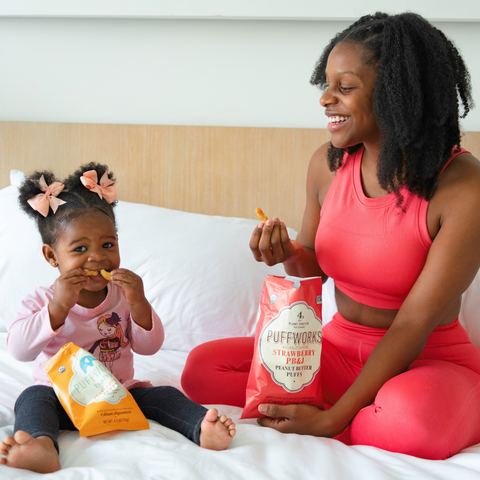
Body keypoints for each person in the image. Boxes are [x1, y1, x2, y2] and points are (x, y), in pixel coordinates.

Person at [180, 12, 480, 460]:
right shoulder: (328, 163)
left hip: (426, 362)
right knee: (204, 368)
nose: (325, 99)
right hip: (336, 351)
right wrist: (288, 253)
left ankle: (376, 412)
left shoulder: (464, 187)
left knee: (410, 422)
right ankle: (362, 414)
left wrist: (331, 418)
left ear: (399, 93)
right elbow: (314, 271)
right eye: (326, 85)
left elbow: (414, 324)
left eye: (344, 87)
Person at [0, 163, 235, 474]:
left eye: (108, 245)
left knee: (163, 394)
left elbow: (150, 347)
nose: (97, 257)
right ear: (52, 256)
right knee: (31, 398)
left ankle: (201, 428)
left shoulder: (122, 295)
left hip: (119, 395)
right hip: (60, 398)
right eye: (80, 248)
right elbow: (19, 350)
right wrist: (57, 308)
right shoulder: (42, 300)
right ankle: (41, 446)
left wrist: (138, 302)